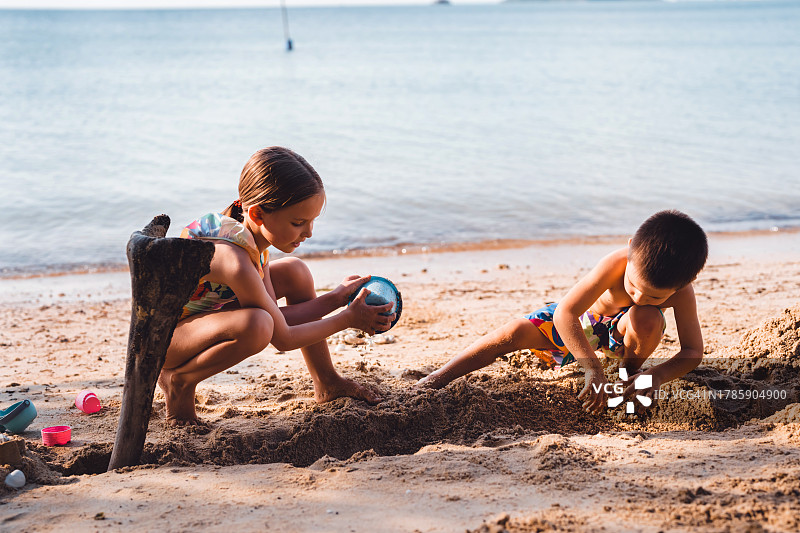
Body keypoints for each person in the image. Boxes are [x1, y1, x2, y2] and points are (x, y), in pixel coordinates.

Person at [158, 147, 395, 425]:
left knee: (295, 271)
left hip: (196, 325)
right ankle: (180, 382)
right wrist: (347, 319)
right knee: (257, 326)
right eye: (298, 222)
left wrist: (336, 298)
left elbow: (277, 317)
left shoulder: (250, 239)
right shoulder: (234, 259)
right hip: (166, 342)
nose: (308, 233)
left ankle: (327, 381)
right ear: (258, 214)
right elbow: (281, 338)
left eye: (312, 221)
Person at [417, 210, 708, 415]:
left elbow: (693, 351)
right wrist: (592, 368)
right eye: (633, 286)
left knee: (646, 317)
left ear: (686, 282)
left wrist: (657, 375)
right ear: (630, 248)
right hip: (581, 326)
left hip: (624, 335)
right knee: (512, 333)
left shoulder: (682, 291)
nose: (639, 297)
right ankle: (437, 378)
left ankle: (630, 374)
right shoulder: (617, 262)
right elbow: (566, 313)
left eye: (655, 296)